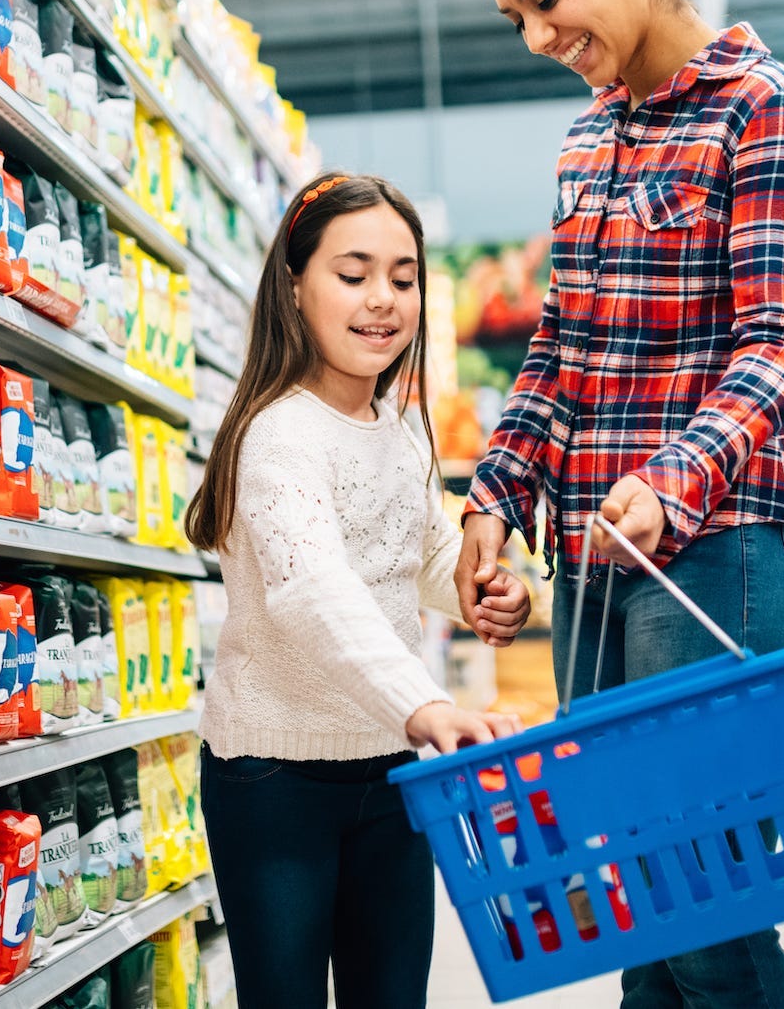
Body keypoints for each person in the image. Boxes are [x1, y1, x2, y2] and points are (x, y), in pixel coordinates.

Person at [459, 0, 784, 1009]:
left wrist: (672, 477)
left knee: (706, 909)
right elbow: (561, 350)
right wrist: (491, 500)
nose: (536, 37)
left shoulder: (768, 109)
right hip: (601, 565)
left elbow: (776, 343)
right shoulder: (587, 142)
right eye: (515, 15)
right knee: (635, 910)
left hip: (727, 546)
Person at [185, 172, 533, 1009]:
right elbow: (314, 591)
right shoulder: (278, 436)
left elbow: (414, 551)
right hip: (273, 779)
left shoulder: (399, 422)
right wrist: (426, 704)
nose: (383, 299)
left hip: (387, 772)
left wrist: (480, 589)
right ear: (296, 287)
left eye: (403, 278)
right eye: (353, 273)